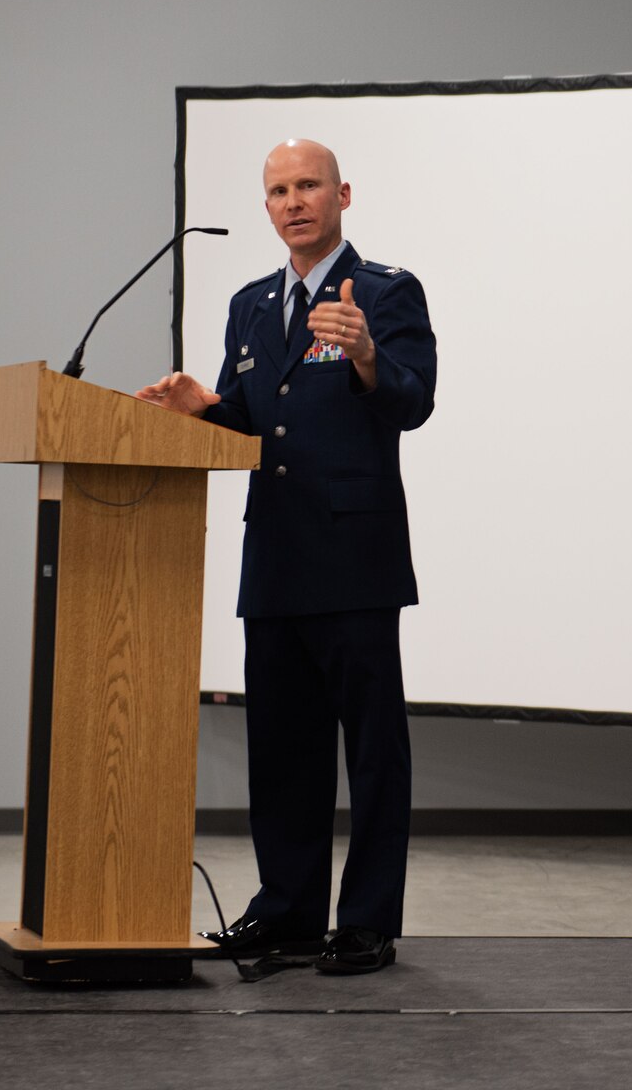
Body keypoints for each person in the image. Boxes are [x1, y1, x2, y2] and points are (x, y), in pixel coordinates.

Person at [136, 138, 436, 976]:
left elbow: (415, 404)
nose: (294, 201)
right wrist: (207, 408)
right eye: (278, 190)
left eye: (308, 185)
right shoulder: (249, 302)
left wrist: (371, 356)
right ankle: (291, 912)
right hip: (274, 556)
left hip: (355, 554)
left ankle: (369, 919)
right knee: (282, 748)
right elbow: (259, 421)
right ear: (267, 207)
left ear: (344, 194)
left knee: (373, 750)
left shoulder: (384, 292)